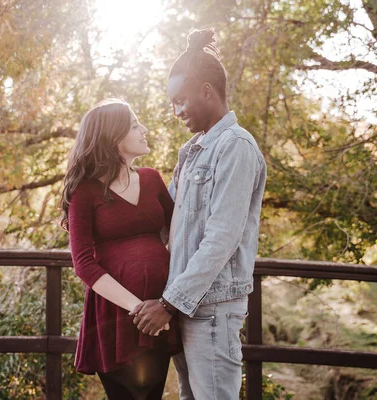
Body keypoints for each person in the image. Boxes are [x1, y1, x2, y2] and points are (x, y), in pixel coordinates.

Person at [130, 28, 267, 399]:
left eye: (180, 101)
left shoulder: (236, 147)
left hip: (211, 311)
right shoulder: (192, 152)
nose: (176, 113)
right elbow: (164, 223)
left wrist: (168, 303)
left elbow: (222, 237)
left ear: (207, 91)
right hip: (185, 308)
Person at [61, 99, 182, 400]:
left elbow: (181, 232)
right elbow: (84, 264)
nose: (144, 130)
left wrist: (165, 305)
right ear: (113, 138)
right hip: (117, 315)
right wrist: (140, 309)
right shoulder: (84, 191)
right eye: (134, 125)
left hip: (161, 310)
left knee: (151, 394)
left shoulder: (152, 179)